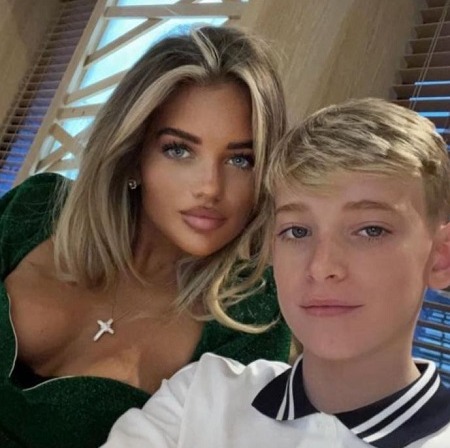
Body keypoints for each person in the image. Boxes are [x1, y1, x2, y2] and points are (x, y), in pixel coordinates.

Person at [0, 26, 291, 447]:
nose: (210, 188)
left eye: (240, 160)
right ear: (134, 153)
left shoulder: (252, 319)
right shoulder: (37, 209)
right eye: (179, 150)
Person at [103, 97, 450, 448]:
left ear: (441, 258)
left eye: (370, 230)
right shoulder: (200, 397)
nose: (321, 267)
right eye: (297, 231)